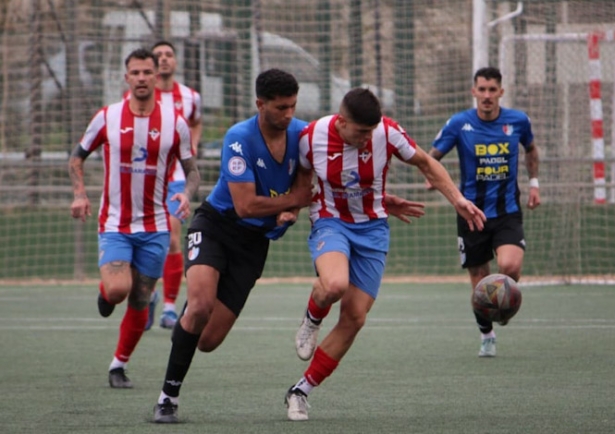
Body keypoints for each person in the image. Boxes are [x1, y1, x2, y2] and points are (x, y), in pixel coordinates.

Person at [285, 87, 487, 421]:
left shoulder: (387, 132)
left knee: (354, 318)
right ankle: (312, 318)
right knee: (334, 285)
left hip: (373, 230)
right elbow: (303, 176)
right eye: (361, 132)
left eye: (371, 132)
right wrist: (291, 208)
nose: (368, 139)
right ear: (342, 122)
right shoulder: (312, 137)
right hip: (330, 222)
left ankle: (300, 391)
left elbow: (426, 162)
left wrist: (458, 199)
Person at [151, 68, 314, 423]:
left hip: (253, 244)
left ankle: (186, 327)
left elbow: (312, 182)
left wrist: (293, 208)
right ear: (260, 104)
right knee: (200, 305)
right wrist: (292, 200)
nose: (289, 114)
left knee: (206, 340)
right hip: (216, 226)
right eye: (281, 107)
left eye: (293, 106)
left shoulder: (303, 134)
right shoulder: (238, 137)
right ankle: (167, 399)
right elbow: (245, 205)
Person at [68, 48, 200, 388]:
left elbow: (192, 170)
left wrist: (186, 193)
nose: (141, 77)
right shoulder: (107, 117)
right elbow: (76, 157)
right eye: (135, 72)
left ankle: (118, 365)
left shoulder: (175, 122)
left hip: (155, 226)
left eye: (147, 72)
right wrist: (80, 194)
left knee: (141, 299)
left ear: (156, 77)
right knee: (117, 291)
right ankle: (106, 291)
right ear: (126, 77)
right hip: (115, 223)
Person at [428, 66, 540, 358]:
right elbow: (432, 157)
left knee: (511, 267)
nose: (487, 95)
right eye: (482, 89)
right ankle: (486, 334)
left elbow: (531, 149)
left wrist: (535, 184)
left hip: (507, 211)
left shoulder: (518, 121)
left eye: (493, 90)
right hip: (471, 213)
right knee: (480, 284)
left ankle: (504, 308)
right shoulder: (459, 124)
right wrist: (435, 179)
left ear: (501, 91)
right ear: (474, 91)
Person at [145, 40, 203, 331]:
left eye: (169, 55)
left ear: (175, 62)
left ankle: (169, 307)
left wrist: (191, 144)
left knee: (172, 235)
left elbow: (196, 122)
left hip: (177, 175)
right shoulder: (143, 95)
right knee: (147, 240)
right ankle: (148, 295)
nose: (164, 59)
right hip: (146, 176)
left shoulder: (190, 97)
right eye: (159, 56)